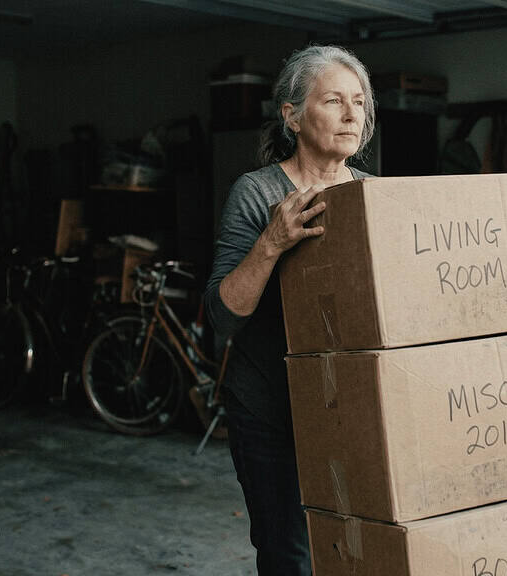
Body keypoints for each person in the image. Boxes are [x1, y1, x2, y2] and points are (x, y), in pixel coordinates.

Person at [204, 45, 376, 575]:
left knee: (359, 548)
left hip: (350, 406)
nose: (352, 115)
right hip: (269, 406)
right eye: (333, 101)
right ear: (293, 116)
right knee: (290, 555)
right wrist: (271, 242)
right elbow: (222, 315)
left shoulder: (376, 197)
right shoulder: (257, 193)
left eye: (360, 102)